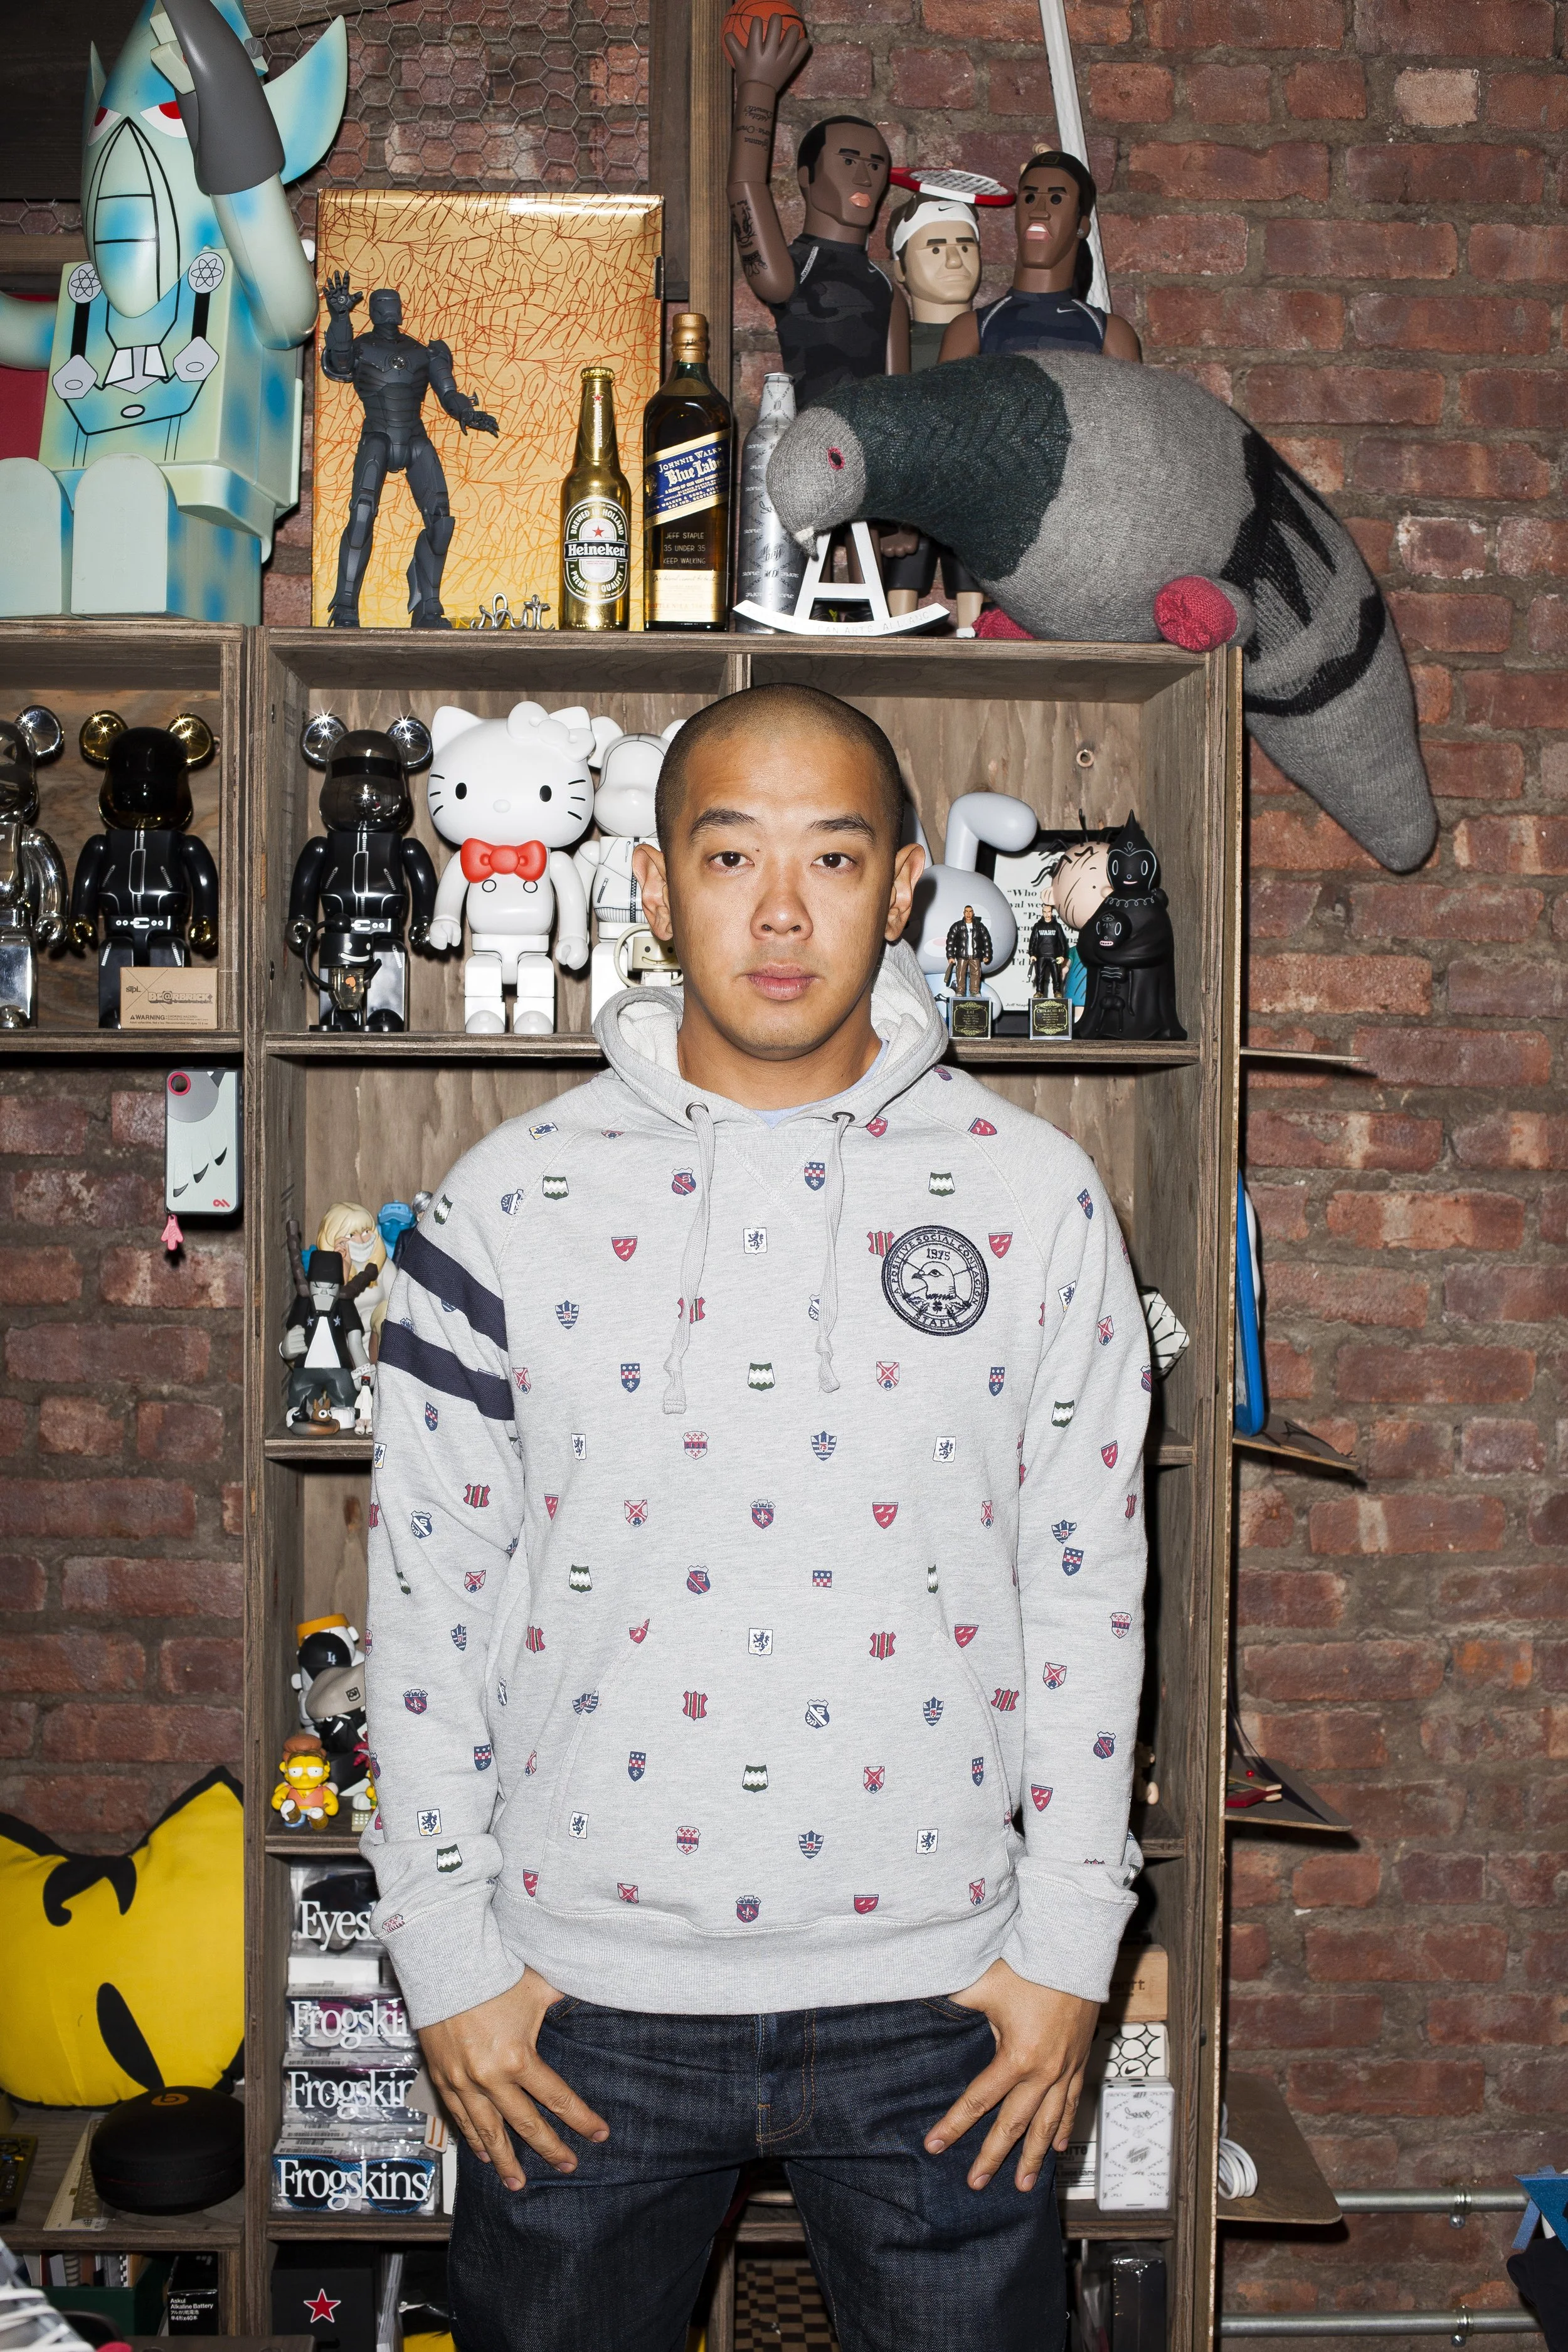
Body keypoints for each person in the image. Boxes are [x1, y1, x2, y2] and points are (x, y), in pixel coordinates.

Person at [361, 684, 1150, 2352]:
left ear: (905, 886)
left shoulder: (1036, 1200)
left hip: (947, 2003)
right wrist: (445, 1952)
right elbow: (426, 1594)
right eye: (729, 857)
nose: (780, 912)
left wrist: (1070, 1946)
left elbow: (1086, 1585)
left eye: (833, 857)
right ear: (653, 888)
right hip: (577, 2002)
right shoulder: (501, 1206)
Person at [884, 196, 986, 632]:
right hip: (913, 478)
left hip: (972, 479)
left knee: (971, 548)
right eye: (935, 247)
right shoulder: (894, 346)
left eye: (965, 245)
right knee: (908, 550)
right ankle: (897, 623)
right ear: (901, 267)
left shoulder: (994, 339)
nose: (954, 260)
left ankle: (975, 628)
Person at [940, 151, 1142, 365]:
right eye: (1030, 198)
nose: (1039, 211)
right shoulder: (971, 328)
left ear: (1081, 226)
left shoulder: (1110, 333)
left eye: (1056, 200)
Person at [945, 901, 992, 1000]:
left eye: (970, 911)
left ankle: (975, 991)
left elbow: (986, 941)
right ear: (964, 913)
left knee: (976, 974)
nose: (968, 914)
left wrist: (987, 955)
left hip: (975, 955)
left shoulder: (979, 926)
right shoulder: (957, 926)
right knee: (960, 973)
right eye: (966, 912)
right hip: (962, 955)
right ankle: (960, 991)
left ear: (973, 913)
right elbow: (950, 941)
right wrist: (950, 956)